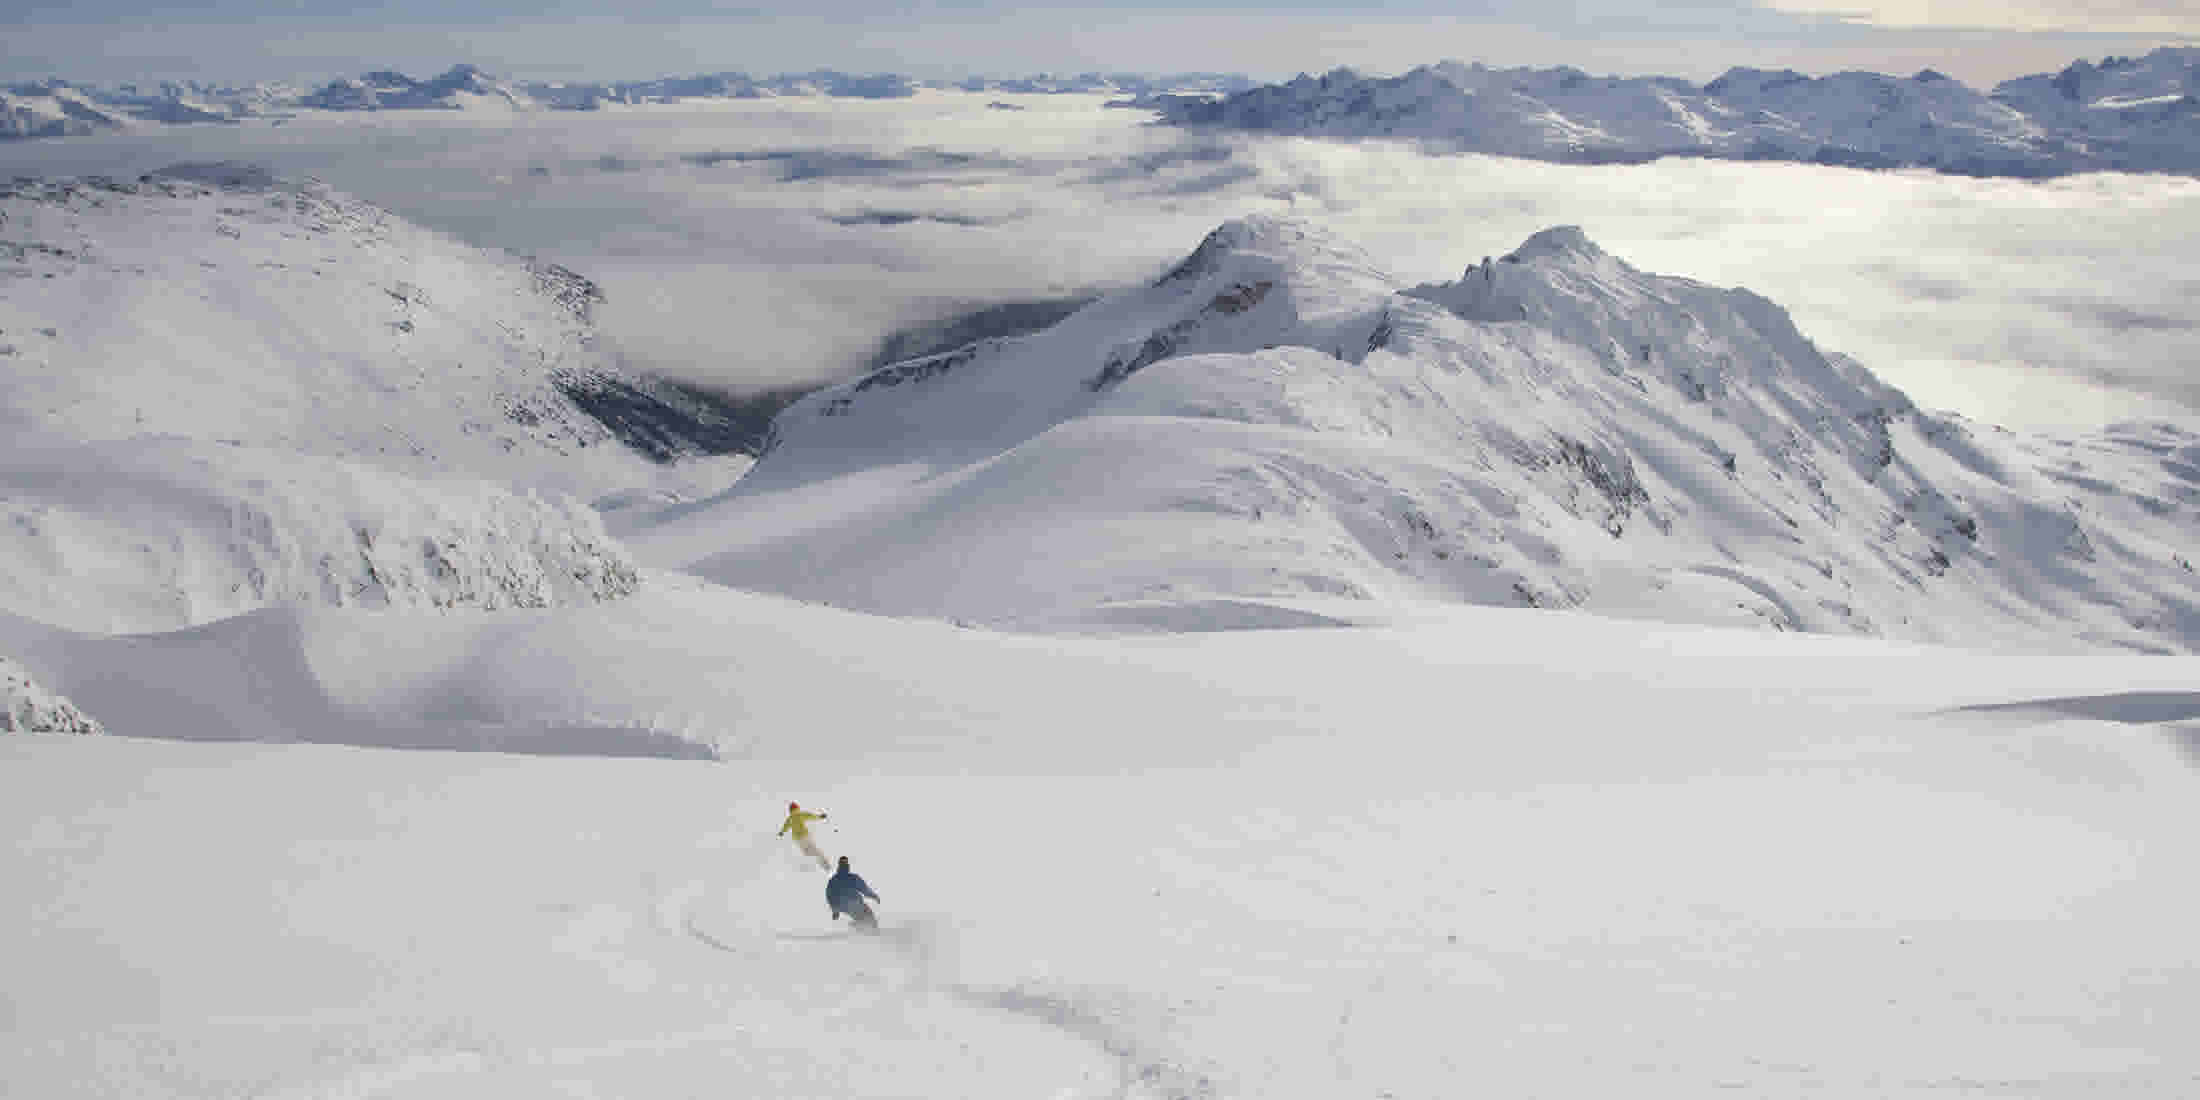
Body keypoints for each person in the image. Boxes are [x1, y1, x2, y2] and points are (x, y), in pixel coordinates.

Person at [826, 855, 881, 930]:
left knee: (860, 917)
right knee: (869, 917)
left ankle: (857, 927)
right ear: (847, 866)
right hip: (855, 903)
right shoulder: (852, 877)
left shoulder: (833, 880)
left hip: (843, 906)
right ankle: (868, 931)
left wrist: (835, 910)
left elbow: (830, 896)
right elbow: (864, 890)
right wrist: (874, 896)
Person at [778, 801, 831, 870]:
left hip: (798, 840)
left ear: (790, 810)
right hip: (805, 836)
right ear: (797, 808)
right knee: (815, 850)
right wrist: (820, 817)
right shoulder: (801, 814)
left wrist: (781, 832)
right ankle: (825, 864)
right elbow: (811, 816)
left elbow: (785, 826)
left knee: (808, 853)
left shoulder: (789, 818)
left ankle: (811, 866)